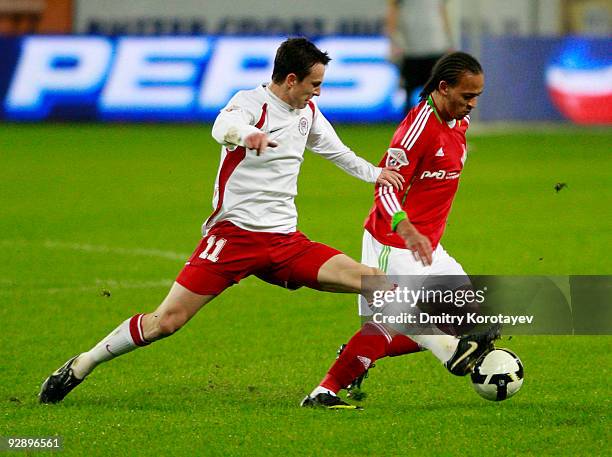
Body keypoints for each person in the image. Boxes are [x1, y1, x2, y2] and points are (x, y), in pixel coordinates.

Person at [38, 37, 405, 408]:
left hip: (285, 242)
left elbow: (336, 151)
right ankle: (82, 364)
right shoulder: (249, 103)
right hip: (233, 238)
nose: (318, 93)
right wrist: (248, 135)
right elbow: (222, 125)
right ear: (291, 79)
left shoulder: (307, 112)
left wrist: (376, 174)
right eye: (315, 84)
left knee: (374, 281)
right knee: (165, 321)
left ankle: (348, 368)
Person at [302, 51, 501, 410]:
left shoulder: (458, 123)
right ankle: (324, 392)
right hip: (393, 242)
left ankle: (358, 353)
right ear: (443, 88)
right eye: (466, 96)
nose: (472, 104)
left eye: (477, 97)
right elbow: (385, 187)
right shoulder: (416, 130)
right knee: (410, 322)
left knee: (474, 320)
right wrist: (404, 225)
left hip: (428, 246)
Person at [386, 0, 454, 110]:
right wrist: (393, 41)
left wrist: (449, 41)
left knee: (437, 92)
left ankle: (435, 123)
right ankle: (411, 124)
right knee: (409, 93)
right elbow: (393, 9)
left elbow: (442, 11)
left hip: (436, 46)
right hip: (412, 48)